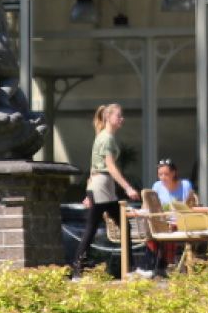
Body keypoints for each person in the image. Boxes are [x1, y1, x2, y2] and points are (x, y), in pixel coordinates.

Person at [69, 103, 140, 279]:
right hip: (102, 187)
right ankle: (78, 268)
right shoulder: (106, 138)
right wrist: (128, 187)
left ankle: (128, 268)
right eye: (119, 116)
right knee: (96, 227)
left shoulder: (103, 137)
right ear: (108, 118)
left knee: (109, 226)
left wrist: (88, 193)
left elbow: (93, 168)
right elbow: (110, 167)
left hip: (102, 187)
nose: (121, 119)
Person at [142, 158, 196, 275]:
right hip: (162, 222)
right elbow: (147, 206)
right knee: (152, 230)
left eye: (166, 174)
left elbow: (189, 206)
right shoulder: (157, 186)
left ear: (173, 173)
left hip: (181, 221)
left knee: (165, 230)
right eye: (160, 174)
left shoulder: (185, 185)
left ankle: (163, 264)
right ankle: (153, 266)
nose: (163, 177)